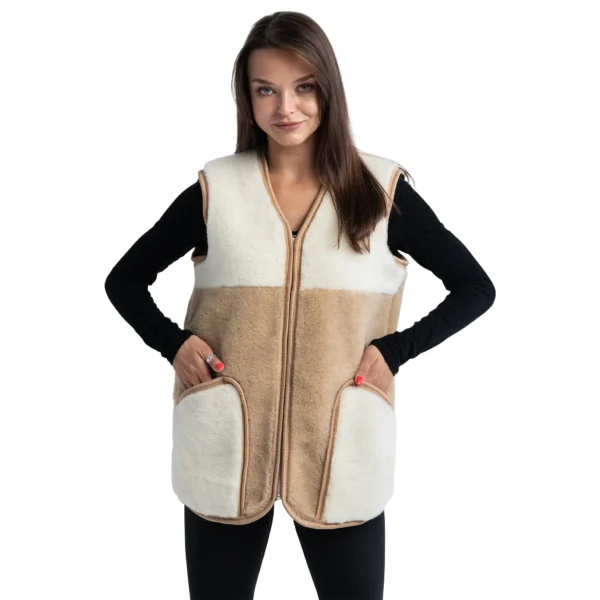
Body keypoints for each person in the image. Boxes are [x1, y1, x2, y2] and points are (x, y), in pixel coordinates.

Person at [105, 10, 495, 600]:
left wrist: (395, 351)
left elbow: (474, 286)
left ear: (328, 89)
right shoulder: (217, 190)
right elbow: (125, 280)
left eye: (303, 87)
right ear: (247, 98)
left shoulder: (380, 190)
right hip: (226, 440)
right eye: (266, 89)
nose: (286, 107)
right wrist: (174, 345)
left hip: (341, 441)